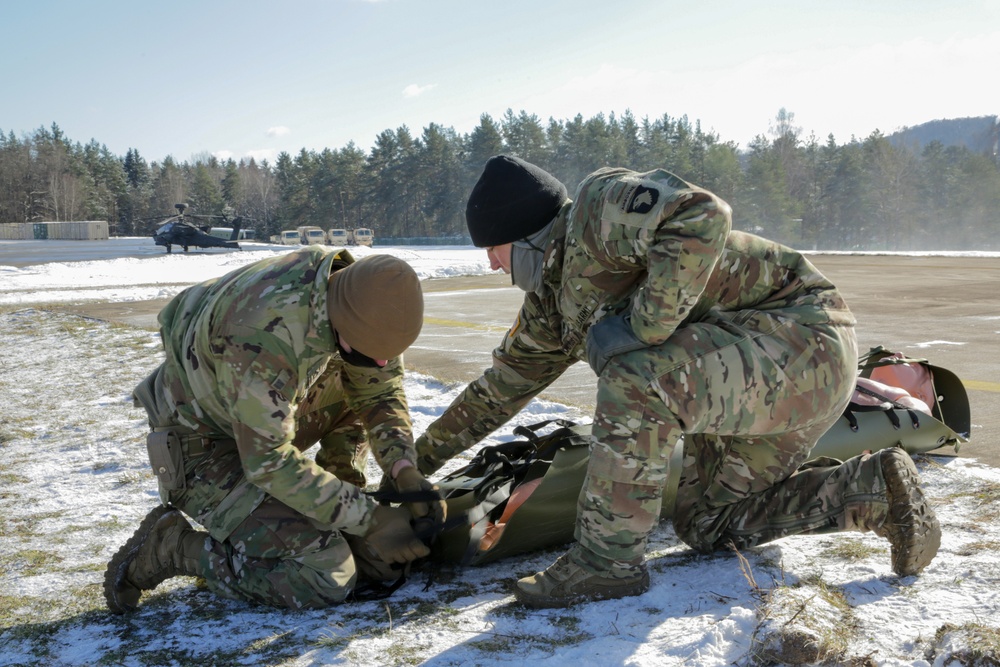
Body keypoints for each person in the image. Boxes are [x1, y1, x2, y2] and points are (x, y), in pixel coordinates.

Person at [414, 155, 941, 608]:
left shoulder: (597, 213)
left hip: (802, 343)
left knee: (635, 378)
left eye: (494, 248)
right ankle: (875, 490)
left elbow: (701, 213)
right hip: (749, 380)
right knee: (709, 523)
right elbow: (496, 391)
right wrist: (411, 468)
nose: (489, 264)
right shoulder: (551, 310)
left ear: (527, 235)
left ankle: (606, 563)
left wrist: (641, 324)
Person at [104, 247, 444, 613]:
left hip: (259, 427)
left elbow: (380, 391)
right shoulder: (263, 333)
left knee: (354, 387)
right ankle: (172, 548)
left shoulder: (357, 296)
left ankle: (335, 516)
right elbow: (268, 462)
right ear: (343, 319)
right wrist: (371, 519)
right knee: (326, 575)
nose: (380, 362)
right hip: (202, 449)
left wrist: (402, 468)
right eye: (370, 353)